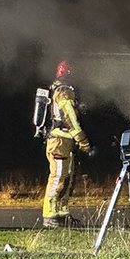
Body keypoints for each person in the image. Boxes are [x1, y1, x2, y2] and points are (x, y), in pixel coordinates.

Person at [42, 60, 92, 229]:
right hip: (59, 141)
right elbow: (70, 117)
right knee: (58, 176)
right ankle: (50, 215)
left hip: (63, 140)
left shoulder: (57, 89)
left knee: (67, 177)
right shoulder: (64, 92)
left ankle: (62, 212)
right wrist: (82, 139)